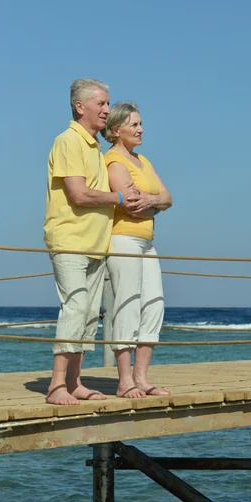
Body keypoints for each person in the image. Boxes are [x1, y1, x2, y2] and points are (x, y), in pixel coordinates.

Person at [43, 79, 138, 405]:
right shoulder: (67, 141)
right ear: (80, 106)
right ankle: (56, 386)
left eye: (108, 103)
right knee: (75, 308)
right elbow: (78, 194)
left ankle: (74, 383)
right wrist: (121, 197)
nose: (107, 110)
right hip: (70, 238)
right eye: (101, 103)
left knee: (87, 316)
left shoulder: (95, 146)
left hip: (95, 242)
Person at [101, 102, 172, 398]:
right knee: (127, 305)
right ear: (117, 130)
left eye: (141, 124)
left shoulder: (143, 161)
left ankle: (142, 377)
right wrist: (150, 201)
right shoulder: (114, 161)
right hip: (123, 240)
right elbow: (130, 204)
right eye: (134, 125)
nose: (141, 129)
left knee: (154, 304)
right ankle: (125, 380)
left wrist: (151, 200)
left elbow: (167, 198)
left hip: (147, 241)